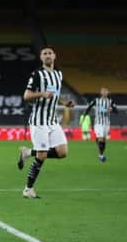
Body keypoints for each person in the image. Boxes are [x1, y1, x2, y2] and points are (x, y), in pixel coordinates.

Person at [16, 46, 74, 198]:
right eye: (44, 54)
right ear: (41, 58)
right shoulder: (37, 74)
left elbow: (54, 92)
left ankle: (28, 152)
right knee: (42, 155)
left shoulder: (58, 74)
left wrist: (64, 103)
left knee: (62, 152)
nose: (48, 56)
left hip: (52, 120)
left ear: (54, 56)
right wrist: (42, 93)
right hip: (39, 121)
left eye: (50, 53)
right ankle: (28, 189)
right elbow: (26, 96)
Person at [82, 87, 118, 162]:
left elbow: (116, 110)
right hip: (98, 123)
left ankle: (101, 152)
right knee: (101, 138)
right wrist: (84, 116)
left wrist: (111, 109)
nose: (104, 92)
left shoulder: (110, 101)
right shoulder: (97, 100)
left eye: (106, 91)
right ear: (101, 92)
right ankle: (101, 155)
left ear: (108, 92)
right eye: (103, 91)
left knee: (103, 140)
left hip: (106, 123)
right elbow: (89, 107)